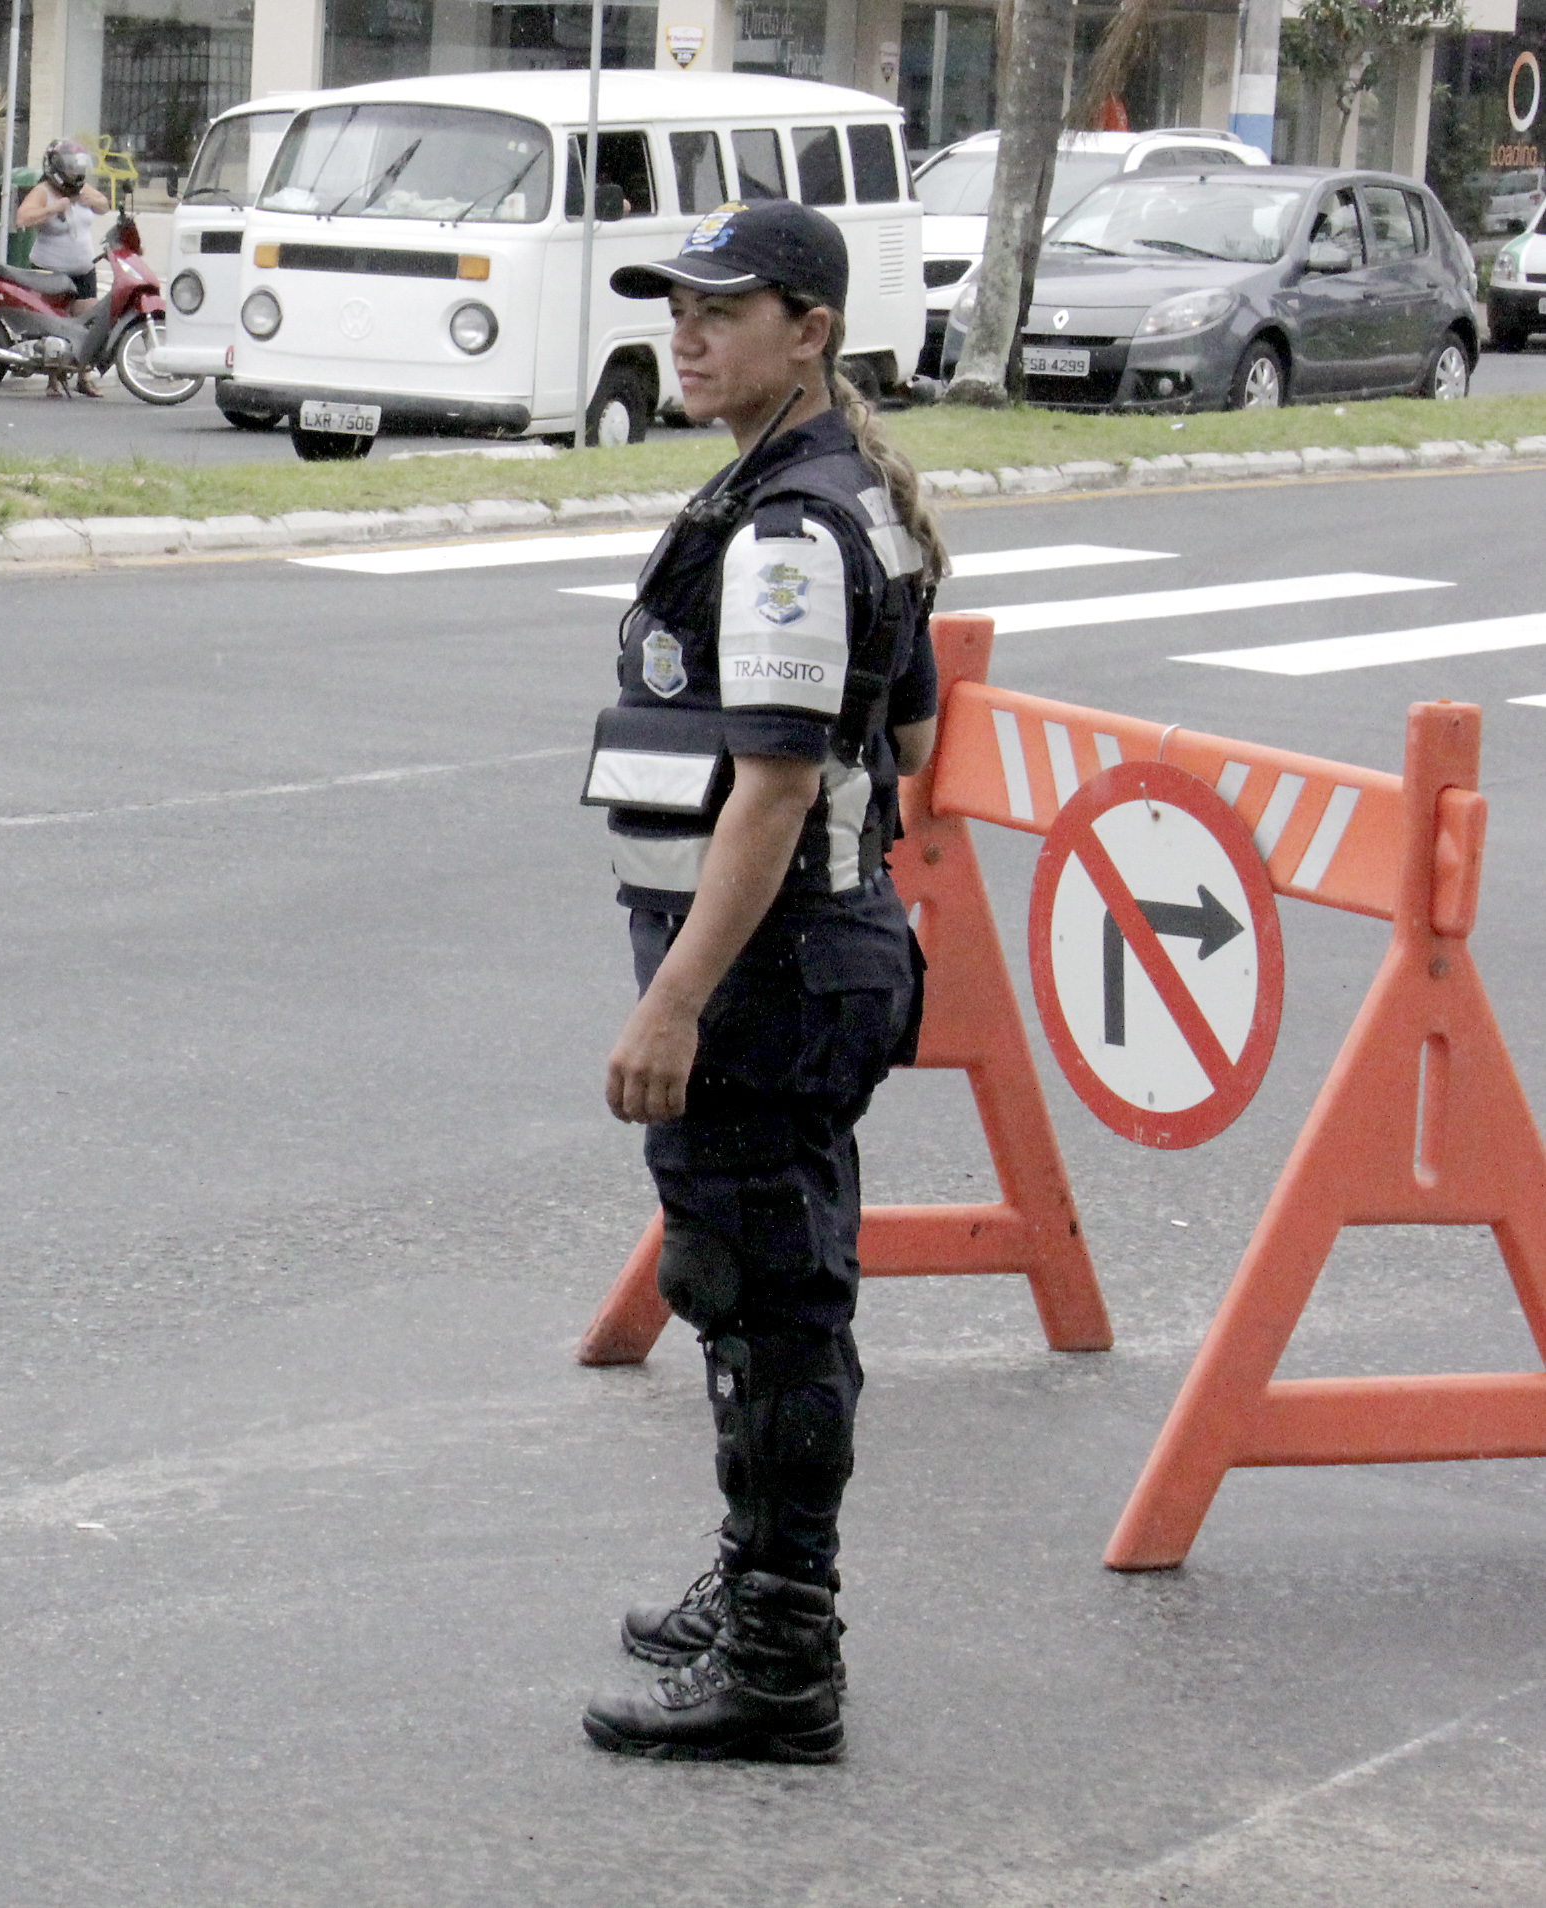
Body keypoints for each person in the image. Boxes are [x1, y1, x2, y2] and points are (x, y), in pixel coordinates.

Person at [577, 199, 949, 1763]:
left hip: (771, 973)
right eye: (679, 305)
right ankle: (757, 1586)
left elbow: (783, 787)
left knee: (770, 1305)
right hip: (807, 958)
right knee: (754, 1292)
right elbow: (916, 740)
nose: (689, 329)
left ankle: (786, 1657)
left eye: (725, 309)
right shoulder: (822, 489)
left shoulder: (793, 530)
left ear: (811, 331)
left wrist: (675, 1003)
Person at [14, 138, 111, 396]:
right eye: (69, 168)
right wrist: (55, 207)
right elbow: (23, 217)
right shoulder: (44, 191)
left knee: (87, 324)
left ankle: (83, 376)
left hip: (83, 270)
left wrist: (86, 198)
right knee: (55, 325)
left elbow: (104, 205)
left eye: (77, 168)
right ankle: (53, 381)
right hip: (51, 271)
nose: (74, 173)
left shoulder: (81, 188)